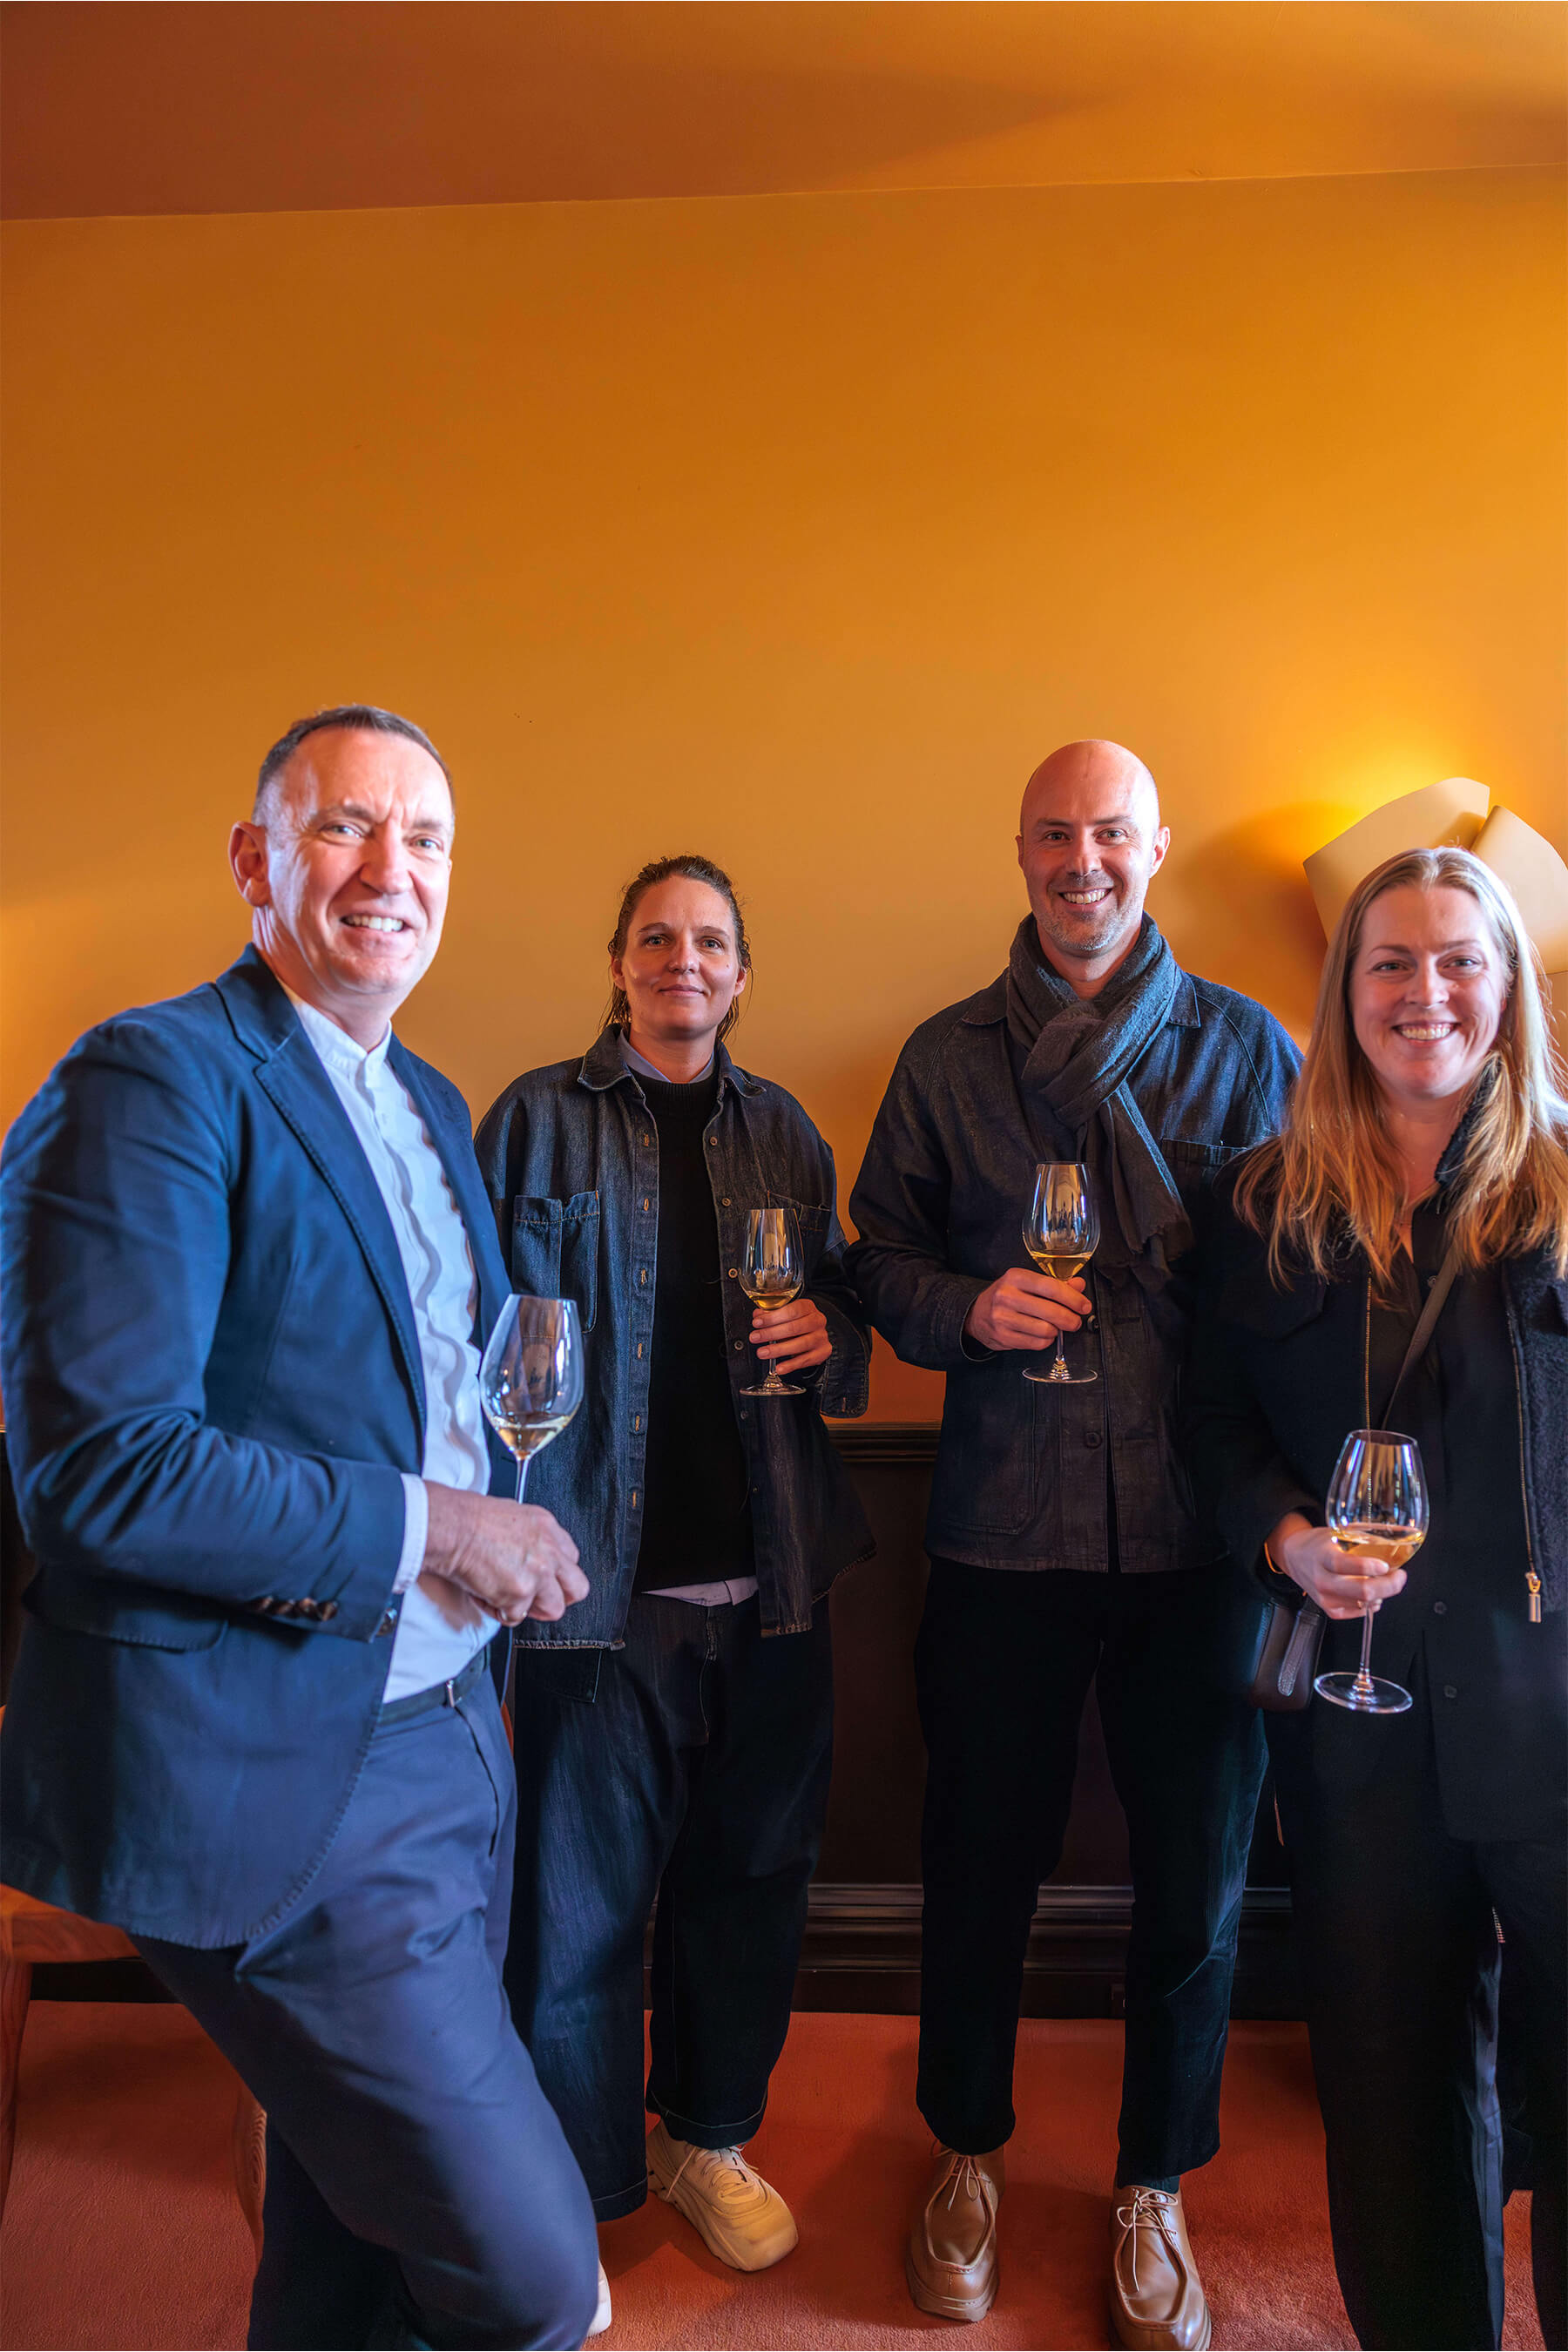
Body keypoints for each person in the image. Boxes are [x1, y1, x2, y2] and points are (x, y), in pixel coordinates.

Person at [0, 706, 601, 2351]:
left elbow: (421, 1391)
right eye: (345, 826)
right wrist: (439, 1527)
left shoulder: (429, 1097)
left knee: (354, 2230)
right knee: (534, 2276)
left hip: (454, 1732)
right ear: (255, 862)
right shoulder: (151, 1077)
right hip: (279, 1763)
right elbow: (102, 1467)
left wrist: (489, 1518)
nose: (391, 868)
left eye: (428, 839)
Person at [848, 740, 1300, 2345]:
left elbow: (1309, 1275)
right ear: (1022, 852)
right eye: (1055, 834)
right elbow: (873, 1258)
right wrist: (966, 1309)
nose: (1083, 861)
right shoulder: (944, 1057)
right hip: (1000, 1527)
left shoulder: (1251, 1049)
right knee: (977, 1866)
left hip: (1201, 1539)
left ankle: (1154, 2182)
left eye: (1111, 833)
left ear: (1155, 848)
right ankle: (964, 2148)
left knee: (1196, 1882)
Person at [476, 854, 873, 2307]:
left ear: (741, 973)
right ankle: (572, 2191)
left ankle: (707, 2138)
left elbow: (842, 1323)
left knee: (749, 1887)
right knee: (577, 1914)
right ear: (619, 964)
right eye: (657, 937)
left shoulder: (786, 1132)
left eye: (709, 941)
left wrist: (830, 1339)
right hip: (592, 1596)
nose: (682, 960)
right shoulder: (533, 1119)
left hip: (777, 1585)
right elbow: (468, 1343)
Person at [1186, 846, 1566, 2352]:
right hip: (1361, 1716)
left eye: (1460, 959)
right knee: (1394, 2093)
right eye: (1391, 963)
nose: (1427, 993)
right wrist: (1284, 1538)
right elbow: (1212, 1426)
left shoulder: (1567, 1188)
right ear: (1345, 992)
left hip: (1552, 1710)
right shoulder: (1262, 1205)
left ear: (1508, 985)